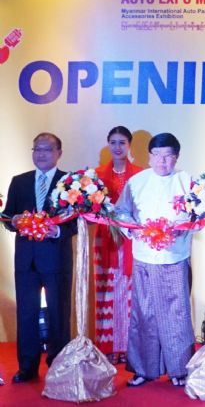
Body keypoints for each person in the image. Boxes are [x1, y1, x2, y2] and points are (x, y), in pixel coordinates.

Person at [115, 133, 194, 387]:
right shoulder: (136, 182)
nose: (162, 161)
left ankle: (179, 370)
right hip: (144, 257)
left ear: (176, 157)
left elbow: (200, 215)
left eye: (168, 156)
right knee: (143, 313)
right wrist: (134, 230)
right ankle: (143, 369)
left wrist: (179, 227)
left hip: (174, 257)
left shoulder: (187, 181)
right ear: (149, 157)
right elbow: (121, 213)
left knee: (176, 313)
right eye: (157, 155)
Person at [3, 133, 77, 383]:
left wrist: (57, 230)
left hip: (56, 259)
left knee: (59, 313)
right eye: (37, 149)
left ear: (59, 153)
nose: (41, 154)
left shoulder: (70, 183)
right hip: (26, 261)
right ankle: (27, 366)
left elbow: (78, 222)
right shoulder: (19, 181)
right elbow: (5, 216)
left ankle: (58, 366)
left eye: (47, 149)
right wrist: (13, 221)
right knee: (26, 313)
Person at [94, 126, 143, 364]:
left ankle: (129, 347)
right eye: (112, 142)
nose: (117, 147)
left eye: (122, 142)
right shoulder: (95, 176)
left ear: (129, 145)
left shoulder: (141, 174)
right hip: (105, 239)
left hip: (132, 239)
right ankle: (107, 347)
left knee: (131, 291)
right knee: (106, 290)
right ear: (107, 144)